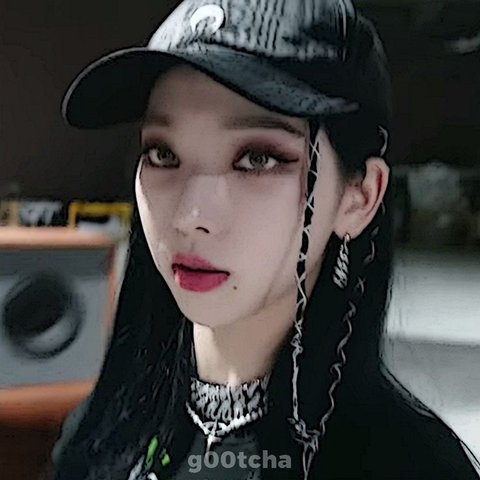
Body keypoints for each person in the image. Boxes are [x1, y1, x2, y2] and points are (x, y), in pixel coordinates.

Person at [50, 0, 480, 479]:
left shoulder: (414, 468)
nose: (191, 217)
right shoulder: (101, 431)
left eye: (258, 158)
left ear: (359, 197)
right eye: (163, 153)